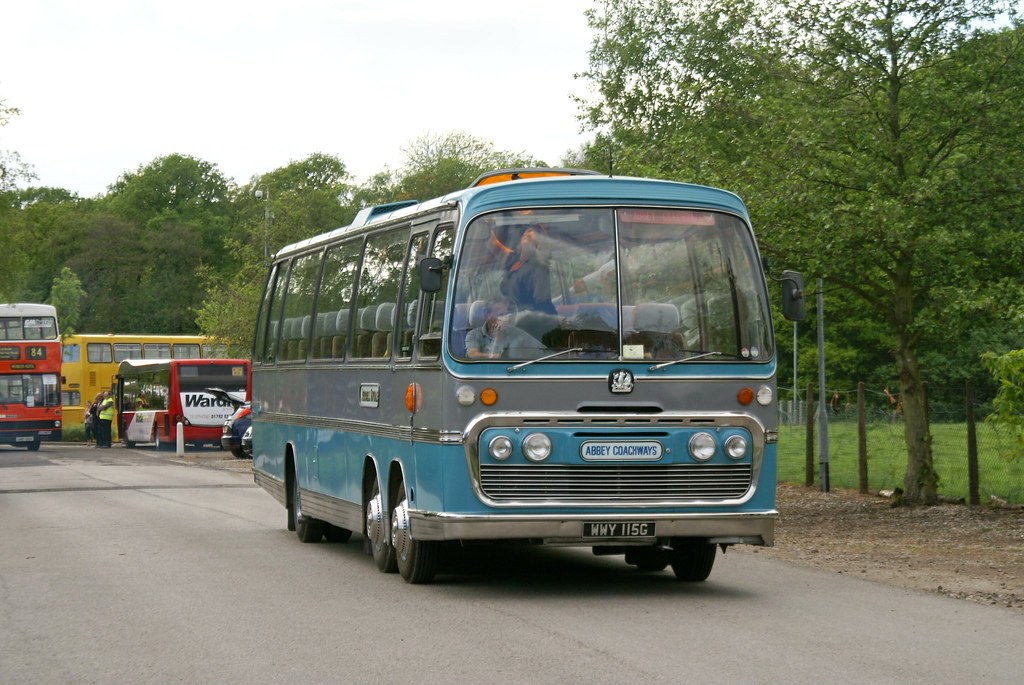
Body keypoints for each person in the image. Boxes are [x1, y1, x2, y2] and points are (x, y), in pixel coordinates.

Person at [500, 226, 557, 315]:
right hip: (512, 320)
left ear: (538, 245)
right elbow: (493, 244)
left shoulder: (539, 268)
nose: (529, 234)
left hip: (529, 323)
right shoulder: (512, 259)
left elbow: (543, 305)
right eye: (526, 233)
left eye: (532, 237)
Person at [465, 300, 543, 359]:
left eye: (506, 314)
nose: (505, 318)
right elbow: (472, 354)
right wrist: (498, 338)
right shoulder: (474, 334)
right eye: (500, 315)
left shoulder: (515, 332)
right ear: (487, 316)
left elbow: (542, 351)